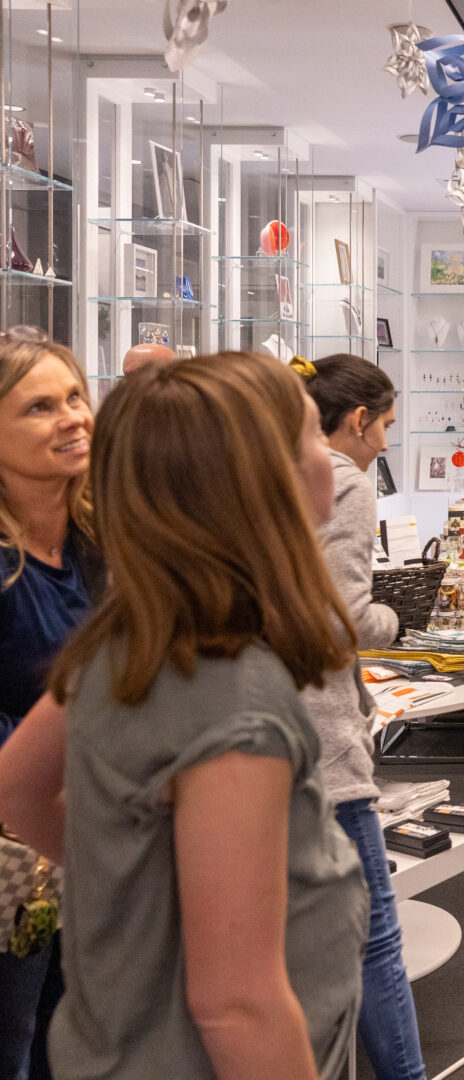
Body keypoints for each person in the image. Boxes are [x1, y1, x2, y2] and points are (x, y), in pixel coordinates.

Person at [0, 353, 367, 1079]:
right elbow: (238, 1004)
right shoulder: (235, 696)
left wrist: (140, 883)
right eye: (312, 439)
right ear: (260, 484)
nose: (333, 458)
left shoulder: (136, 633)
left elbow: (19, 782)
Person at [298, 354, 425, 1080]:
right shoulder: (342, 481)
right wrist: (393, 619)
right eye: (384, 428)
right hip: (322, 728)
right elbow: (344, 618)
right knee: (374, 932)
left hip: (261, 725)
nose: (385, 445)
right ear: (356, 421)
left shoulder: (263, 475)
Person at [0, 329, 97, 1080]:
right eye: (39, 406)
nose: (71, 417)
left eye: (74, 397)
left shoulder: (103, 539)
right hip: (15, 857)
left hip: (96, 840)